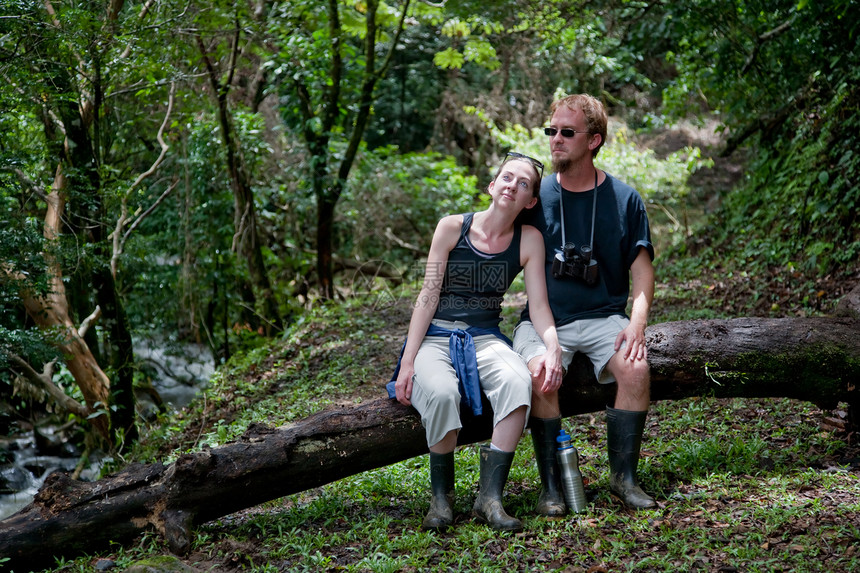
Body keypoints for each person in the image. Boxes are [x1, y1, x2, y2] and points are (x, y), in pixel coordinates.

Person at [390, 152, 563, 532]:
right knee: (440, 393)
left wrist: (552, 348)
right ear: (491, 185)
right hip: (436, 335)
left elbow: (539, 306)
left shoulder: (529, 240)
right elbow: (427, 294)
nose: (512, 186)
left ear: (530, 201)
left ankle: (490, 498)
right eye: (507, 178)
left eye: (523, 184)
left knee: (519, 382)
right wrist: (407, 361)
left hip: (485, 337)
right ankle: (442, 500)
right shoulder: (451, 227)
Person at [513, 94, 657, 513]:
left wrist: (637, 323)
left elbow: (642, 270)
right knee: (541, 372)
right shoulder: (534, 196)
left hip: (602, 316)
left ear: (594, 140)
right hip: (545, 319)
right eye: (551, 131)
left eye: (567, 132)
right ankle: (552, 488)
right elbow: (493, 240)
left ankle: (623, 478)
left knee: (636, 367)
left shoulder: (624, 199)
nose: (555, 140)